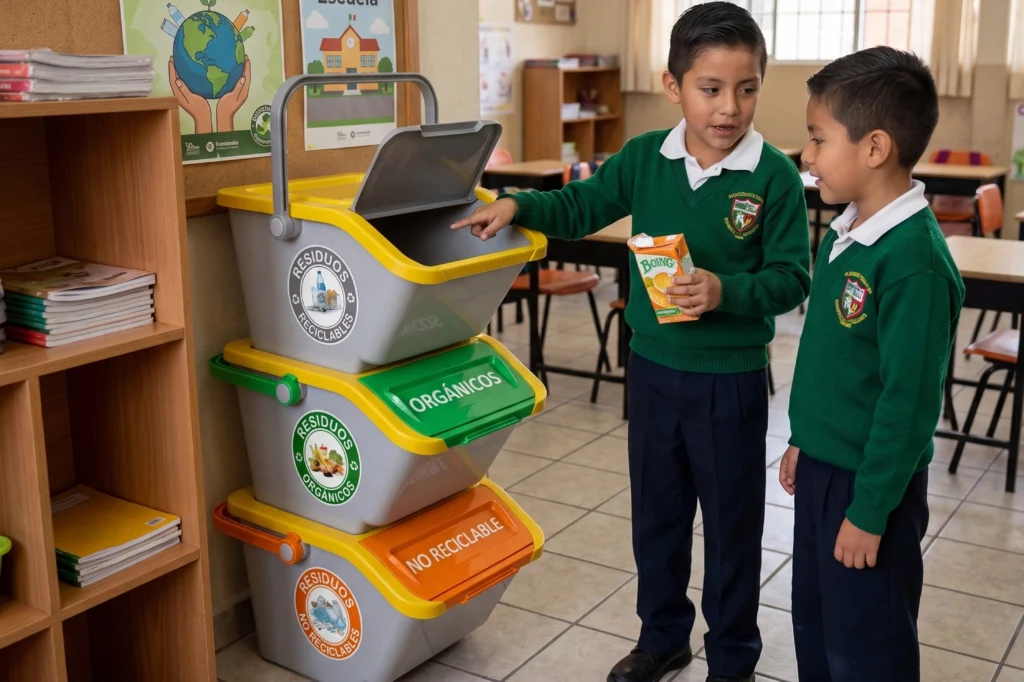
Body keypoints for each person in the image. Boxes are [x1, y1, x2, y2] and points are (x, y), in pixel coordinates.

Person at [453, 5, 810, 680]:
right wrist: (517, 206)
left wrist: (724, 292)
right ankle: (662, 637)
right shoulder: (646, 157)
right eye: (711, 88)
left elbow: (793, 277)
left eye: (747, 87)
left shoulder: (775, 178)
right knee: (658, 516)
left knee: (732, 529)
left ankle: (732, 657)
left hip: (729, 380)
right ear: (674, 86)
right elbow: (581, 207)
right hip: (651, 371)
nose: (729, 107)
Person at [779, 46, 965, 681]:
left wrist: (869, 510)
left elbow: (909, 404)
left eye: (817, 138)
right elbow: (834, 361)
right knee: (817, 623)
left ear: (875, 147)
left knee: (868, 646)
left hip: (871, 488)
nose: (805, 154)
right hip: (826, 471)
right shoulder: (845, 232)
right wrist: (807, 438)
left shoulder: (914, 262)